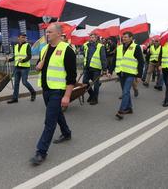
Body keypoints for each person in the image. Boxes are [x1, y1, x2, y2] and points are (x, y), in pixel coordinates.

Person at [30, 23, 76, 165]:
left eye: (49, 32)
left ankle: (41, 151)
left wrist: (67, 96)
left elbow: (71, 76)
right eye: (46, 32)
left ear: (58, 33)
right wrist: (38, 67)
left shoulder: (67, 50)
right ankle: (67, 133)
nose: (47, 34)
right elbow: (39, 67)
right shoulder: (44, 49)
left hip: (58, 90)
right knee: (57, 114)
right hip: (46, 89)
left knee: (49, 121)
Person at [111, 32, 144, 120]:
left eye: (126, 37)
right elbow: (114, 60)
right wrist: (110, 71)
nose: (124, 39)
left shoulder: (136, 47)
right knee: (125, 92)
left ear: (131, 38)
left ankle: (121, 111)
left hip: (130, 73)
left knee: (125, 92)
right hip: (121, 73)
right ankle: (129, 108)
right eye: (123, 37)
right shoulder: (119, 47)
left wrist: (139, 75)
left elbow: (141, 62)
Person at [6, 33, 36, 103]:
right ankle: (15, 98)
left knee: (24, 82)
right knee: (16, 83)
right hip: (17, 67)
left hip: (25, 67)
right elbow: (15, 56)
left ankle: (33, 92)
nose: (24, 38)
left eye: (25, 37)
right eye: (22, 37)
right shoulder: (16, 46)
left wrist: (23, 60)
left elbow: (29, 56)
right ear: (18, 38)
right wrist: (9, 59)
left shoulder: (27, 45)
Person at [82, 33, 108, 105]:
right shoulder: (87, 45)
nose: (91, 39)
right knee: (84, 82)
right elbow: (85, 55)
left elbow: (103, 58)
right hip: (87, 68)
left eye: (93, 37)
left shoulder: (100, 46)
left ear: (96, 38)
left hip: (96, 68)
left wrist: (104, 69)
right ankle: (92, 94)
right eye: (90, 37)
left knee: (96, 84)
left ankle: (95, 99)